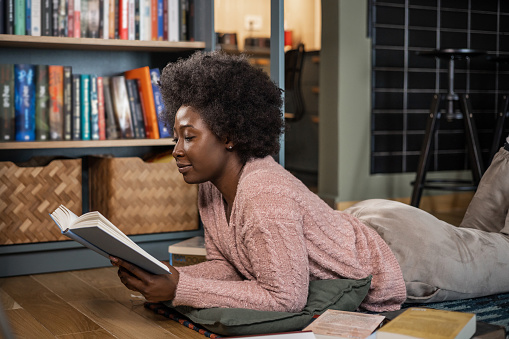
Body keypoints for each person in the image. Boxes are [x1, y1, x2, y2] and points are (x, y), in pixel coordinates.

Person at [111, 51, 509, 314]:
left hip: (405, 256)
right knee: (484, 235)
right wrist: (165, 274)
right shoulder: (211, 188)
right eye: (176, 136)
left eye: (189, 136)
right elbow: (226, 265)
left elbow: (285, 297)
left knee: (503, 252)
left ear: (229, 134)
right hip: (362, 224)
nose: (177, 150)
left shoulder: (262, 194)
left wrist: (179, 288)